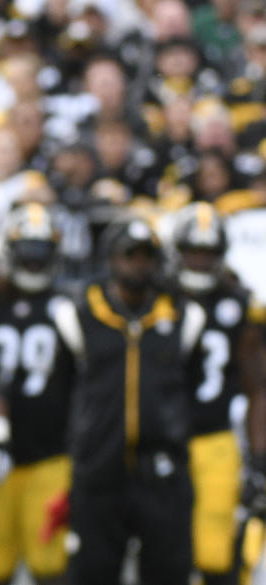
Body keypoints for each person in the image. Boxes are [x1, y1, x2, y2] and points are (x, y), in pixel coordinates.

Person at [52, 215, 205, 585]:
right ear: (110, 258)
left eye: (147, 255)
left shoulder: (185, 315)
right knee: (92, 572)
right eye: (129, 254)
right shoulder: (79, 313)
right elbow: (62, 393)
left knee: (169, 572)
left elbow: (194, 390)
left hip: (164, 470)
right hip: (99, 469)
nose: (139, 264)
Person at [0, 203, 72, 585]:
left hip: (51, 451)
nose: (35, 262)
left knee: (49, 565)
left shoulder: (69, 306)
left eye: (42, 252)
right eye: (28, 251)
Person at [167, 202, 266, 585]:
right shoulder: (160, 298)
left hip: (215, 438)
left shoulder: (239, 303)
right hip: (162, 439)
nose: (200, 261)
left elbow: (258, 386)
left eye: (208, 253)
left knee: (214, 553)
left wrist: (258, 459)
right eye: (193, 251)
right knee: (163, 549)